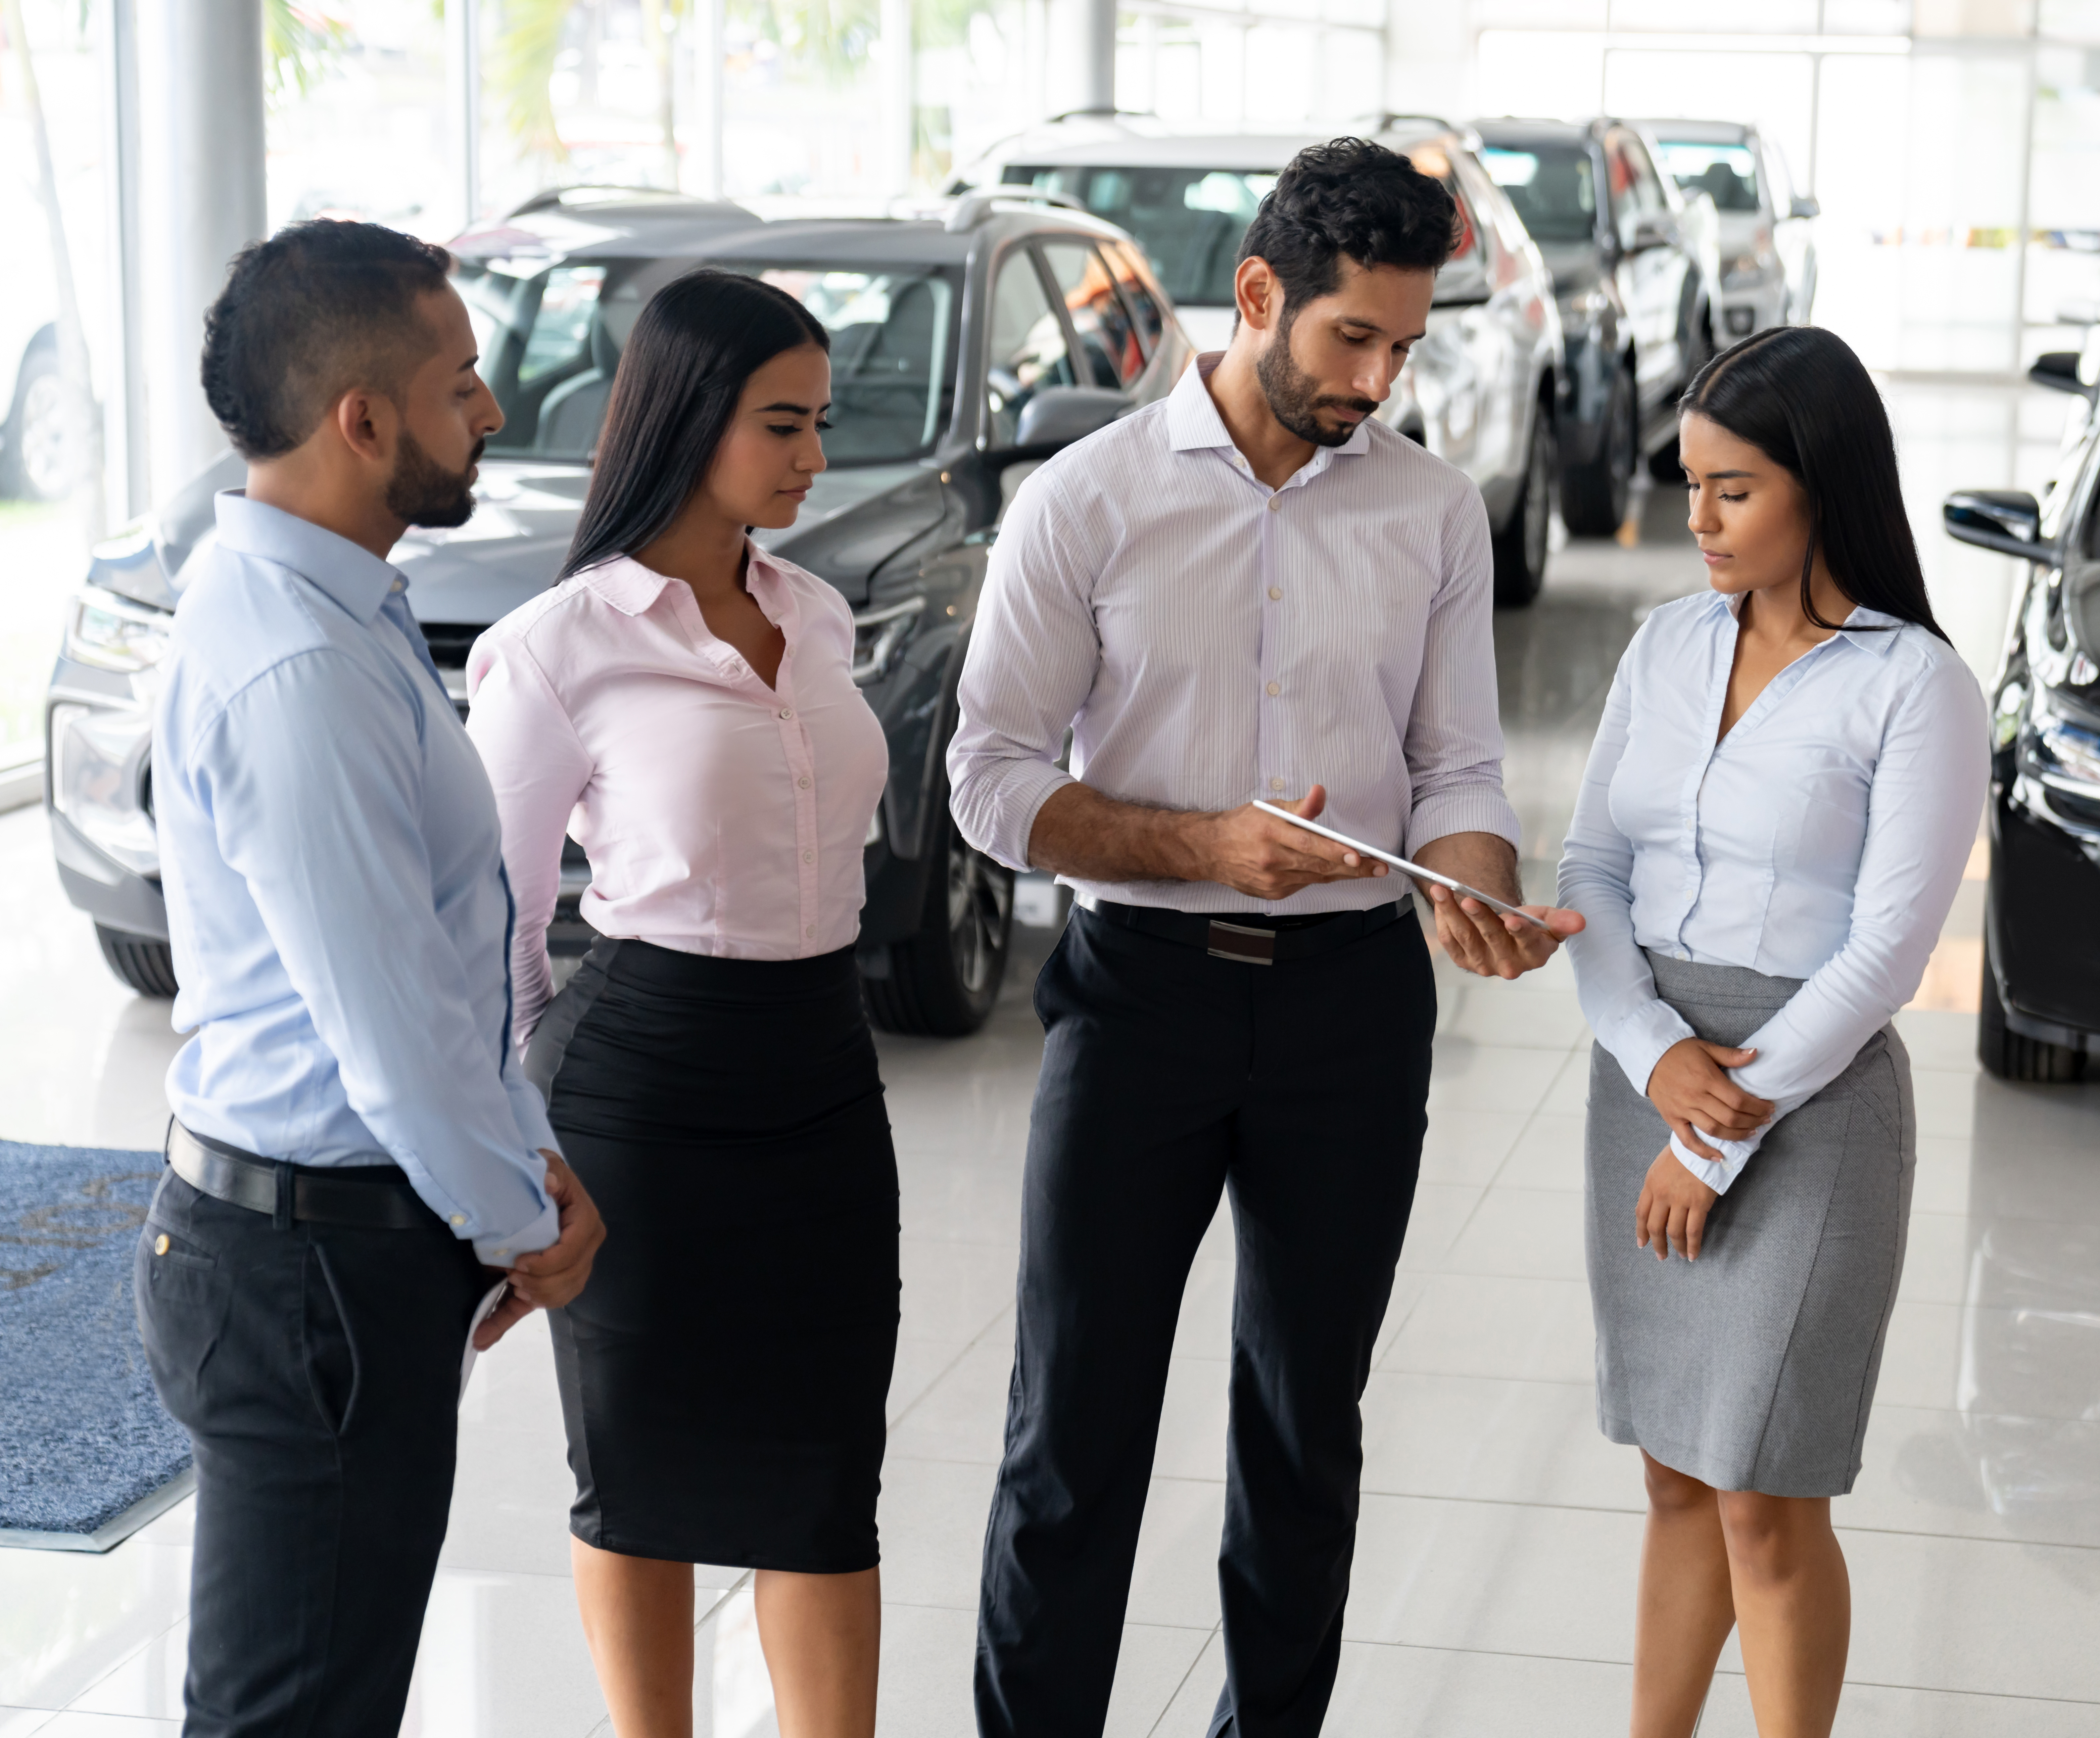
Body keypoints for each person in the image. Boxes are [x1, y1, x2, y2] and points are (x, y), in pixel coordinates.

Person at [947, 136, 1584, 1738]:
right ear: (1254, 297)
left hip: (1351, 1015)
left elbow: (1456, 771)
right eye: (1346, 339)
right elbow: (987, 780)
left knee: (1306, 1431)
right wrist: (1202, 844)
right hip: (1135, 999)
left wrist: (1472, 883)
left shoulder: (1434, 514)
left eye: (1403, 345)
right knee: (1071, 1433)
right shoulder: (1082, 502)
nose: (1375, 378)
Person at [137, 218, 606, 1735]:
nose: (490, 411)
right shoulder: (303, 665)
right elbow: (391, 1021)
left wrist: (513, 1164)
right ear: (363, 419)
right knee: (295, 1710)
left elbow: (439, 948)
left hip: (325, 1245)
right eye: (462, 382)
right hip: (309, 1271)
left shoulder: (327, 602)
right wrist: (529, 1221)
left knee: (314, 1686)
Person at [464, 270, 896, 1738]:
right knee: (638, 1475)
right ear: (690, 415)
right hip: (639, 1095)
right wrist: (531, 1123)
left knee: (824, 1475)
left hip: (827, 1081)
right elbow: (502, 930)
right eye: (784, 424)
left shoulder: (819, 613)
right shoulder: (556, 646)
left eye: (820, 423)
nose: (813, 458)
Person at [1557, 327, 1987, 1738]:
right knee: (1674, 1470)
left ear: (1820, 483)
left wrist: (1710, 1124)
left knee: (1763, 1488)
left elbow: (1885, 953)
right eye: (1686, 484)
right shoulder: (1665, 641)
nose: (1696, 520)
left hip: (1800, 1096)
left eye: (1731, 488)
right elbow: (1590, 870)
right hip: (1652, 1065)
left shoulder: (1912, 682)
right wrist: (1644, 1051)